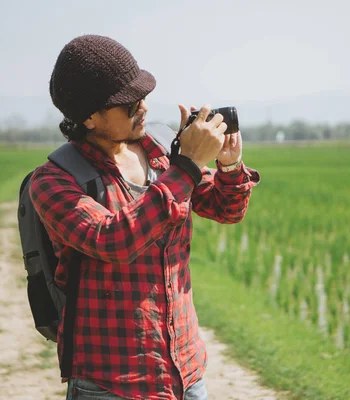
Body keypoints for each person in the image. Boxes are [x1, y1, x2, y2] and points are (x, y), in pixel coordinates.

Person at [29, 34, 260, 400]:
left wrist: (228, 164)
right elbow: (112, 240)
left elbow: (226, 209)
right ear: (89, 116)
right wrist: (186, 164)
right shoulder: (53, 181)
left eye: (144, 97)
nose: (144, 108)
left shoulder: (160, 151)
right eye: (130, 103)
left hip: (186, 372)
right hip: (110, 384)